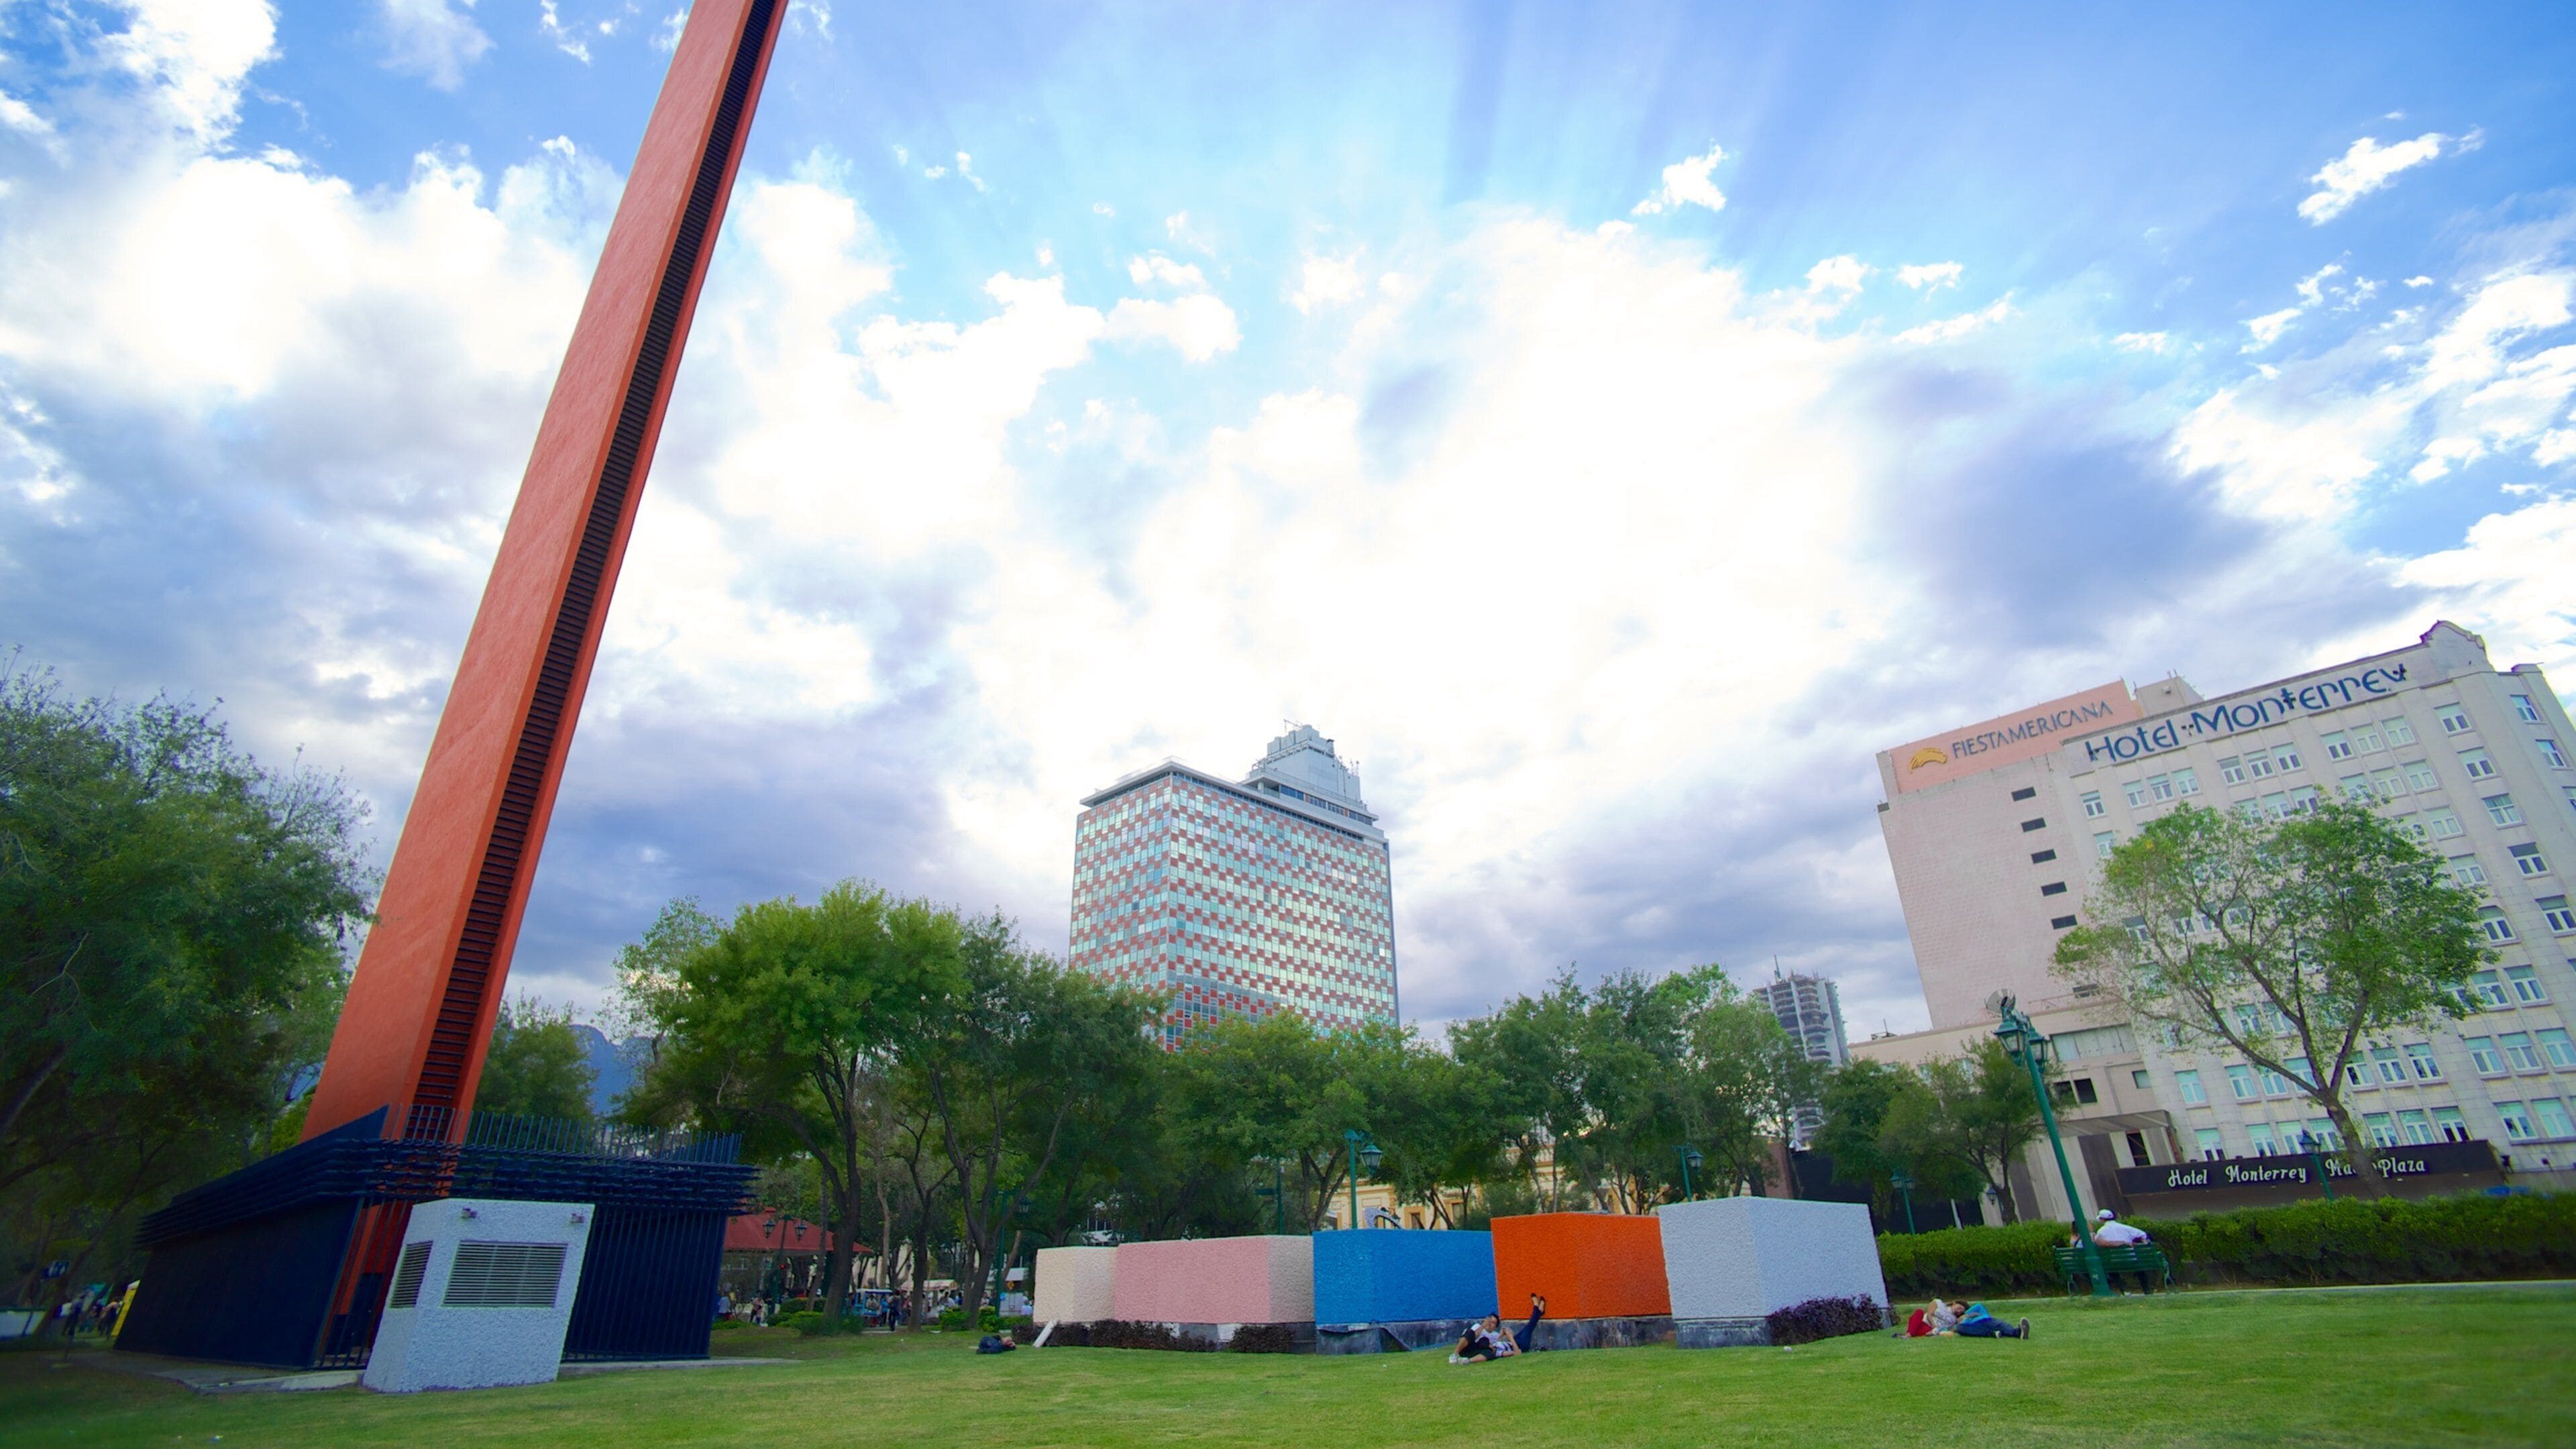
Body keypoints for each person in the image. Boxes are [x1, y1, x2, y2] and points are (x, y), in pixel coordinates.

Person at [1451, 1295, 1547, 1362]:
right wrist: (1510, 1338)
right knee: (1529, 1327)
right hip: (1519, 1345)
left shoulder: (1494, 1338)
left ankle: (1538, 1311)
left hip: (1513, 1342)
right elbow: (1517, 1353)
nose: (1490, 1323)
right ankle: (1537, 1308)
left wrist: (1502, 1336)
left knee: (1528, 1327)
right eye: (1490, 1320)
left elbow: (1498, 1342)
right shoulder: (1479, 1328)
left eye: (1493, 1323)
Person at [2091, 1209, 2158, 1293]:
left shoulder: (2101, 1231)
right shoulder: (2125, 1228)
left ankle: (2124, 1290)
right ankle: (2147, 1290)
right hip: (2131, 1260)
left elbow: (2097, 1242)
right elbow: (2144, 1235)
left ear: (2101, 1219)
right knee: (2140, 1267)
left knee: (2111, 1270)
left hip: (2114, 1262)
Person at [1951, 1303, 2031, 1340]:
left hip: (1989, 1321)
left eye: (1961, 1309)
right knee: (1959, 1328)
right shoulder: (1962, 1325)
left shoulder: (1978, 1314)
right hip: (1977, 1328)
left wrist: (1966, 1315)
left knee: (2003, 1326)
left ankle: (2019, 1332)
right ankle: (1993, 1334)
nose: (1959, 1311)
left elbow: (1979, 1306)